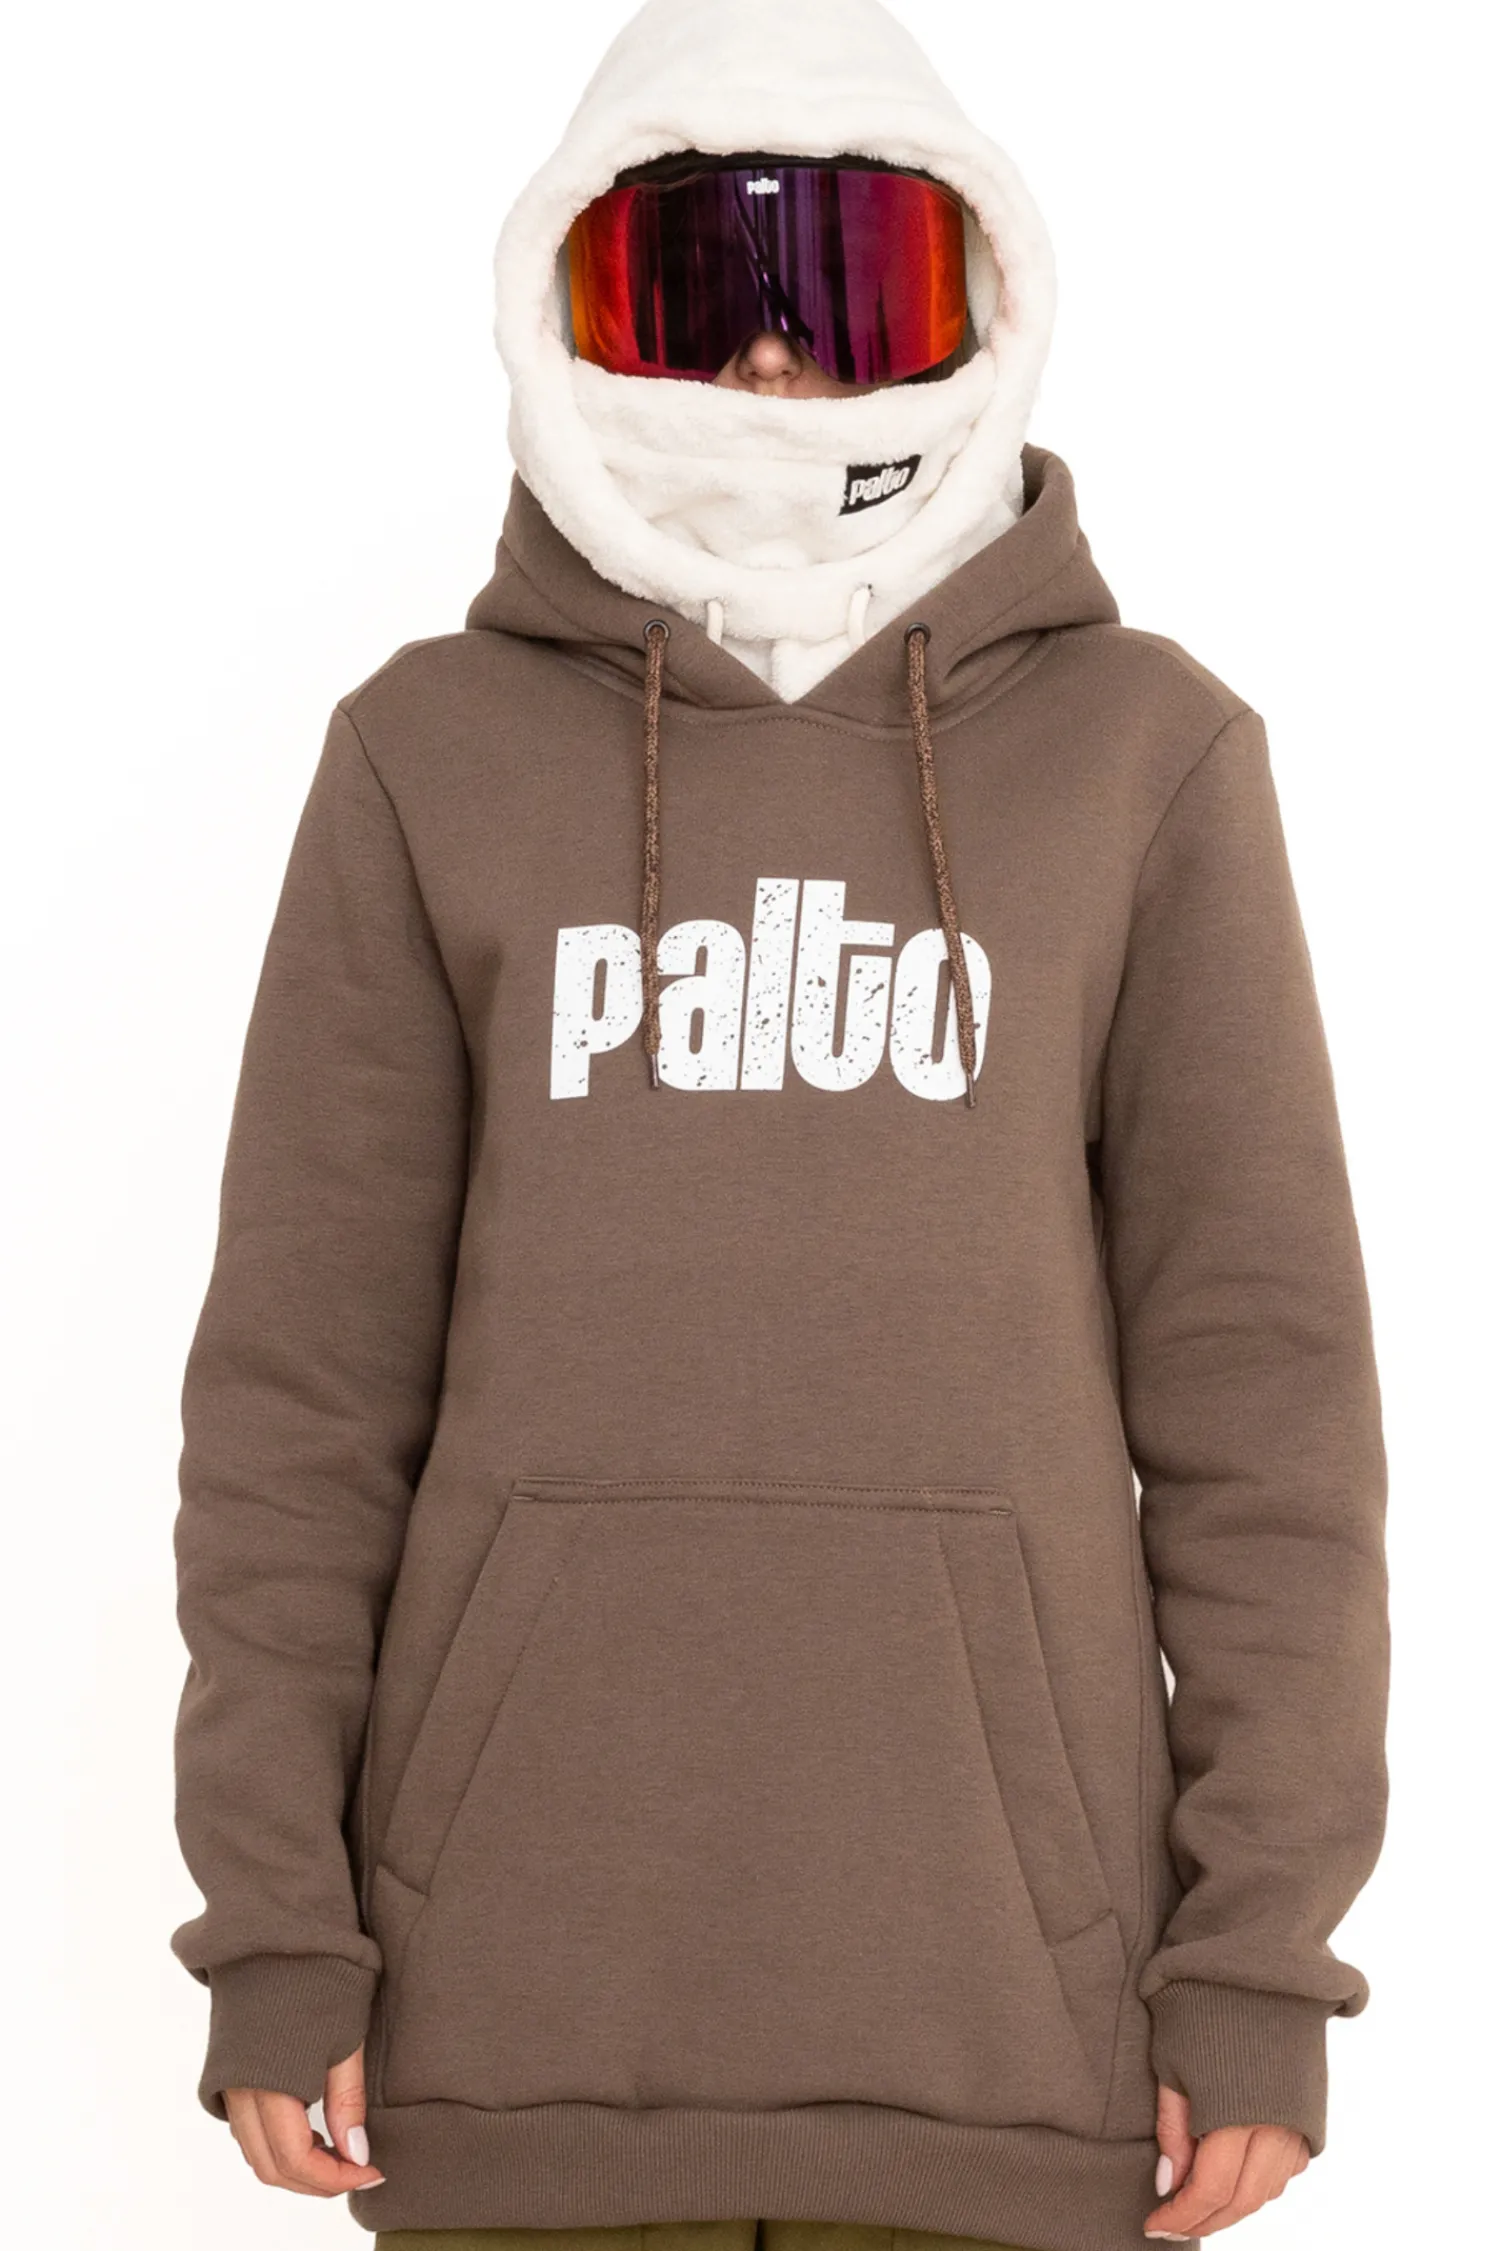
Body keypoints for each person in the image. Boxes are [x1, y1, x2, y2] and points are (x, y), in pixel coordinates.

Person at [168, 1, 1390, 2246]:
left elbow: (1266, 1416)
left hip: (1018, 2053)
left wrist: (1255, 1962)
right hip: (506, 2040)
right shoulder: (427, 758)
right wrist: (273, 1918)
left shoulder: (1148, 761)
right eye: (693, 281)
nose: (767, 359)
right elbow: (298, 1402)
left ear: (979, 299)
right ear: (568, 307)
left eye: (848, 282)